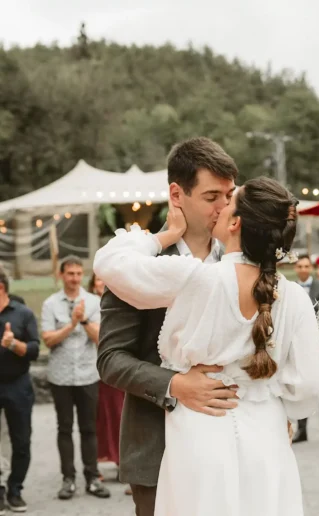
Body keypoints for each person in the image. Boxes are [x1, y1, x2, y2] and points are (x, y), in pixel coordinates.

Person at [94, 176, 319, 516]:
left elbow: (110, 263)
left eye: (229, 200)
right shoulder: (293, 296)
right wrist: (277, 405)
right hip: (268, 435)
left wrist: (164, 236)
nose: (221, 206)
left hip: (200, 430)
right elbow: (312, 383)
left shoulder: (197, 278)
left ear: (235, 223)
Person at [97, 137, 240, 516]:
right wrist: (176, 385)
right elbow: (110, 359)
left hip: (233, 443)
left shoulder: (240, 259)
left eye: (229, 196)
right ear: (177, 194)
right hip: (157, 446)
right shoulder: (135, 264)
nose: (224, 207)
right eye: (211, 197)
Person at [41, 257, 110, 501]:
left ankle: (92, 477)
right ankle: (68, 479)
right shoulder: (50, 304)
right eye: (70, 273)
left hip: (88, 374)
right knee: (64, 428)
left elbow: (101, 338)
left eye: (79, 273)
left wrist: (83, 320)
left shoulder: (94, 302)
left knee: (89, 428)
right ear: (62, 275)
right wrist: (71, 325)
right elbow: (48, 339)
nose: (75, 278)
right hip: (60, 376)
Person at [0, 270, 39, 514]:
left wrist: (14, 344)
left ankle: (15, 489)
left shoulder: (23, 313)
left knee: (21, 441)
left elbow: (35, 350)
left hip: (17, 384)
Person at [291, 254, 319, 445]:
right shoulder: (290, 287)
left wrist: (307, 312)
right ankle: (302, 430)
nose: (303, 269)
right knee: (300, 385)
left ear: (311, 268)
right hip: (296, 342)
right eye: (300, 266)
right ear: (296, 268)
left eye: (306, 266)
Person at [88, 274, 125, 481]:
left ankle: (122, 463)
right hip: (92, 372)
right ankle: (97, 465)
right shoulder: (88, 304)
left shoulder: (121, 300)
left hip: (115, 370)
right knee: (98, 420)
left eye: (104, 279)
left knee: (119, 416)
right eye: (97, 280)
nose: (101, 283)